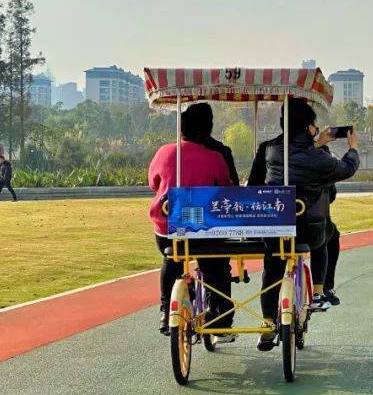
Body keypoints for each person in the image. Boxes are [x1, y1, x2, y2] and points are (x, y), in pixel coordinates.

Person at [248, 97, 359, 351]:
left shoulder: (268, 149)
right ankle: (319, 291)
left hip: (273, 227)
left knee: (272, 267)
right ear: (309, 128)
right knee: (329, 231)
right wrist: (352, 148)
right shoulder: (317, 157)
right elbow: (346, 169)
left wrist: (317, 142)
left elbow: (254, 185)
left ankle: (267, 325)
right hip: (307, 230)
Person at [147, 103, 234, 337]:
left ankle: (166, 311)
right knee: (216, 267)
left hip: (167, 228)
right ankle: (220, 319)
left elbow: (154, 184)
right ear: (208, 129)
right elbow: (226, 188)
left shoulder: (163, 152)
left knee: (172, 259)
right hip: (203, 231)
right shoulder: (215, 157)